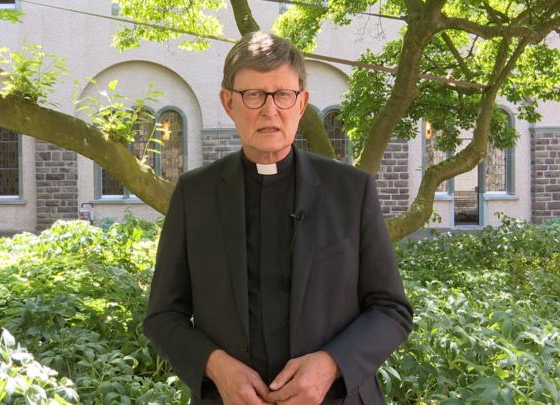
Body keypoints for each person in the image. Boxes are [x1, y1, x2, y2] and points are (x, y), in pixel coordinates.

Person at [143, 31, 413, 405]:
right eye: (253, 95)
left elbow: (391, 310)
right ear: (228, 102)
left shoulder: (351, 191)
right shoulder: (194, 195)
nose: (270, 111)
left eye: (283, 94)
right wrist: (215, 366)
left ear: (301, 103)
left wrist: (332, 363)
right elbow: (163, 316)